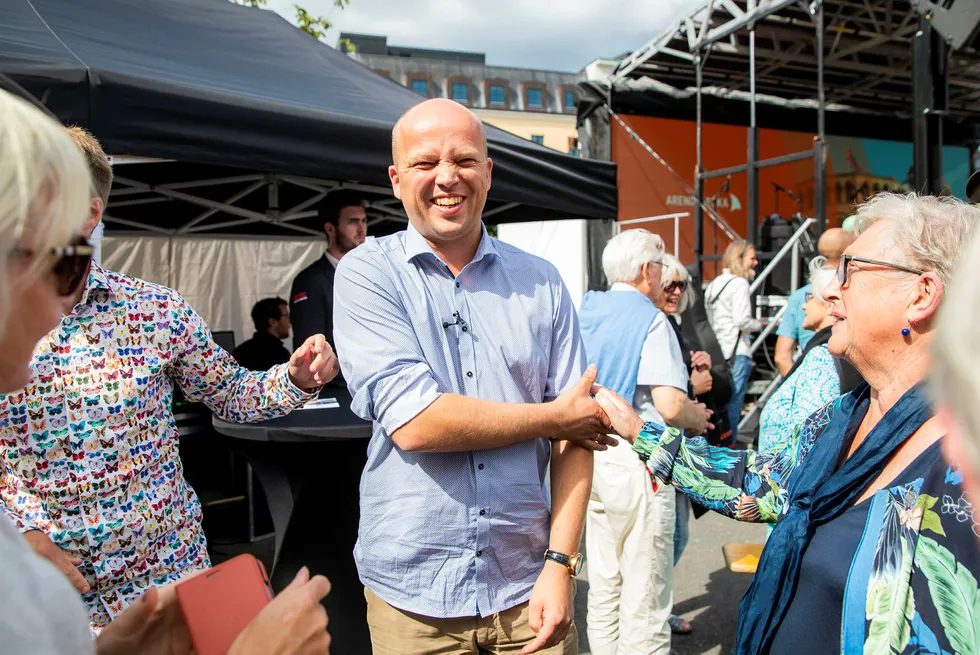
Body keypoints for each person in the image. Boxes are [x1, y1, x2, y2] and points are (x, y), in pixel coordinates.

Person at [0, 88, 332, 655]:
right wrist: (17, 531)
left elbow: (230, 391)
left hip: (169, 575)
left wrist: (296, 379)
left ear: (89, 211)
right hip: (43, 594)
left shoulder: (156, 310)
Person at [592, 192, 980, 654]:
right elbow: (763, 484)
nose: (830, 290)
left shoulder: (964, 462)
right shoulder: (845, 414)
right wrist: (638, 431)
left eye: (849, 270)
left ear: (921, 295)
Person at [332, 98, 613, 655]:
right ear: (395, 179)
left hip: (527, 585)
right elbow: (415, 422)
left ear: (488, 172)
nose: (446, 177)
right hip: (414, 600)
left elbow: (576, 439)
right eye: (424, 162)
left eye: (463, 159)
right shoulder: (367, 272)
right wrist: (555, 416)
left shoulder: (542, 282)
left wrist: (561, 565)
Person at [577, 231, 711, 655]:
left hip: (589, 455)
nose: (660, 274)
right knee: (647, 588)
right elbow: (670, 406)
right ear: (643, 271)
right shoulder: (651, 318)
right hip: (639, 459)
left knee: (605, 581)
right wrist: (700, 416)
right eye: (658, 266)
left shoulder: (587, 307)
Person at [289, 190, 367, 386]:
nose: (361, 228)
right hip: (335, 389)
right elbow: (311, 350)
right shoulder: (310, 280)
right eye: (352, 222)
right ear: (330, 229)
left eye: (364, 220)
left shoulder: (369, 274)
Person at [774, 228, 854, 376]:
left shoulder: (798, 296)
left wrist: (798, 386)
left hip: (809, 377)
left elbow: (782, 356)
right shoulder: (852, 291)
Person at [703, 240, 762, 430]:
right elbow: (742, 320)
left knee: (716, 408)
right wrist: (760, 325)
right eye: (752, 258)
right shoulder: (739, 283)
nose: (756, 263)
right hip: (736, 353)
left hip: (716, 352)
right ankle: (730, 451)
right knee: (733, 408)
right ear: (739, 258)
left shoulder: (714, 283)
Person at [233, 297, 292, 370]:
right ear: (272, 322)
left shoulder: (239, 351)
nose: (289, 321)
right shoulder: (280, 355)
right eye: (286, 316)